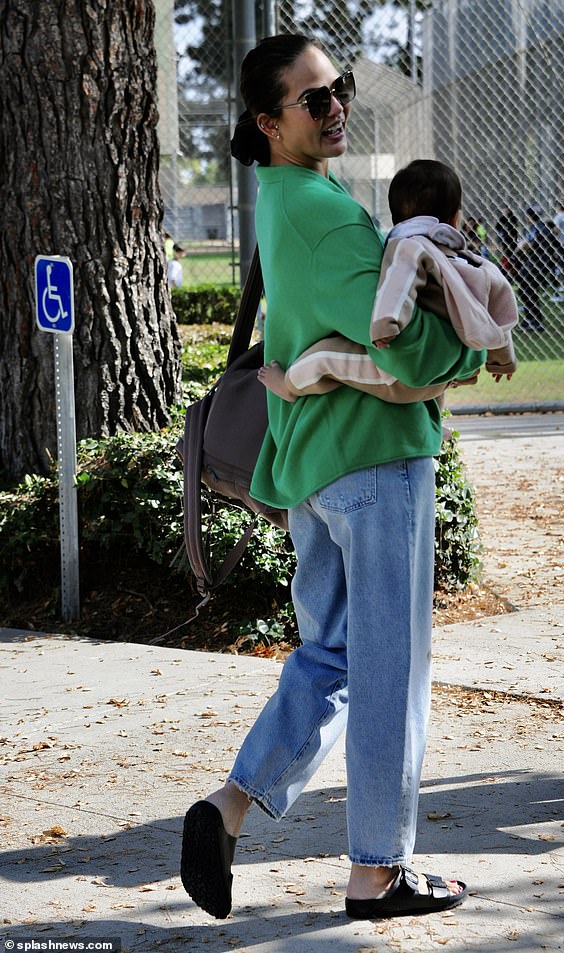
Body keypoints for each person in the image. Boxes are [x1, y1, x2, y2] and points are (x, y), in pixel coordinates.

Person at [179, 33, 483, 922]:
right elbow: (409, 342)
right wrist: (466, 306)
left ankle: (227, 806)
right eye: (316, 100)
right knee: (394, 665)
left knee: (331, 657)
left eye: (340, 89)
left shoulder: (278, 198)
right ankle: (378, 871)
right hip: (375, 459)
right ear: (269, 123)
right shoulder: (322, 208)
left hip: (313, 466)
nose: (337, 105)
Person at [258, 158, 518, 404]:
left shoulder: (409, 247)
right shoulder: (471, 264)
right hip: (442, 376)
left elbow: (399, 285)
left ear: (396, 218)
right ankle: (436, 426)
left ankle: (288, 385)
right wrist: (502, 359)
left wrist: (386, 322)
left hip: (395, 376)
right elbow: (496, 313)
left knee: (324, 357)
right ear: (455, 219)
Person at [511, 205, 550, 332]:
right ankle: (532, 319)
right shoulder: (536, 227)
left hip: (536, 264)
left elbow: (528, 245)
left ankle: (535, 321)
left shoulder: (538, 228)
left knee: (528, 290)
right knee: (526, 290)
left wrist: (518, 251)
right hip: (533, 263)